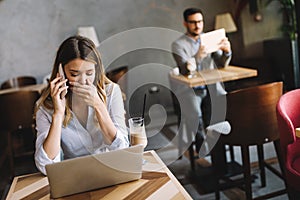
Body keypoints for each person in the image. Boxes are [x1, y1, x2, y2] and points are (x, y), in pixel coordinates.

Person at [34, 35, 129, 175]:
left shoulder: (111, 92)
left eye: (89, 73)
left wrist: (99, 105)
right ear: (61, 71)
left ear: (96, 70)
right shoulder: (46, 107)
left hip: (111, 170)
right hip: (75, 176)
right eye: (74, 74)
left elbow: (122, 150)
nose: (83, 81)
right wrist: (58, 114)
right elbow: (45, 166)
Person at [171, 8, 232, 154]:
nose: (197, 26)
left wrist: (227, 51)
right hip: (190, 90)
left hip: (211, 87)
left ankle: (219, 146)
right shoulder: (178, 45)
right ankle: (201, 144)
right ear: (185, 23)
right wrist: (198, 56)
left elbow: (222, 64)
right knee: (195, 113)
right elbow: (185, 70)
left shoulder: (209, 38)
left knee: (222, 109)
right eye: (193, 22)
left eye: (200, 22)